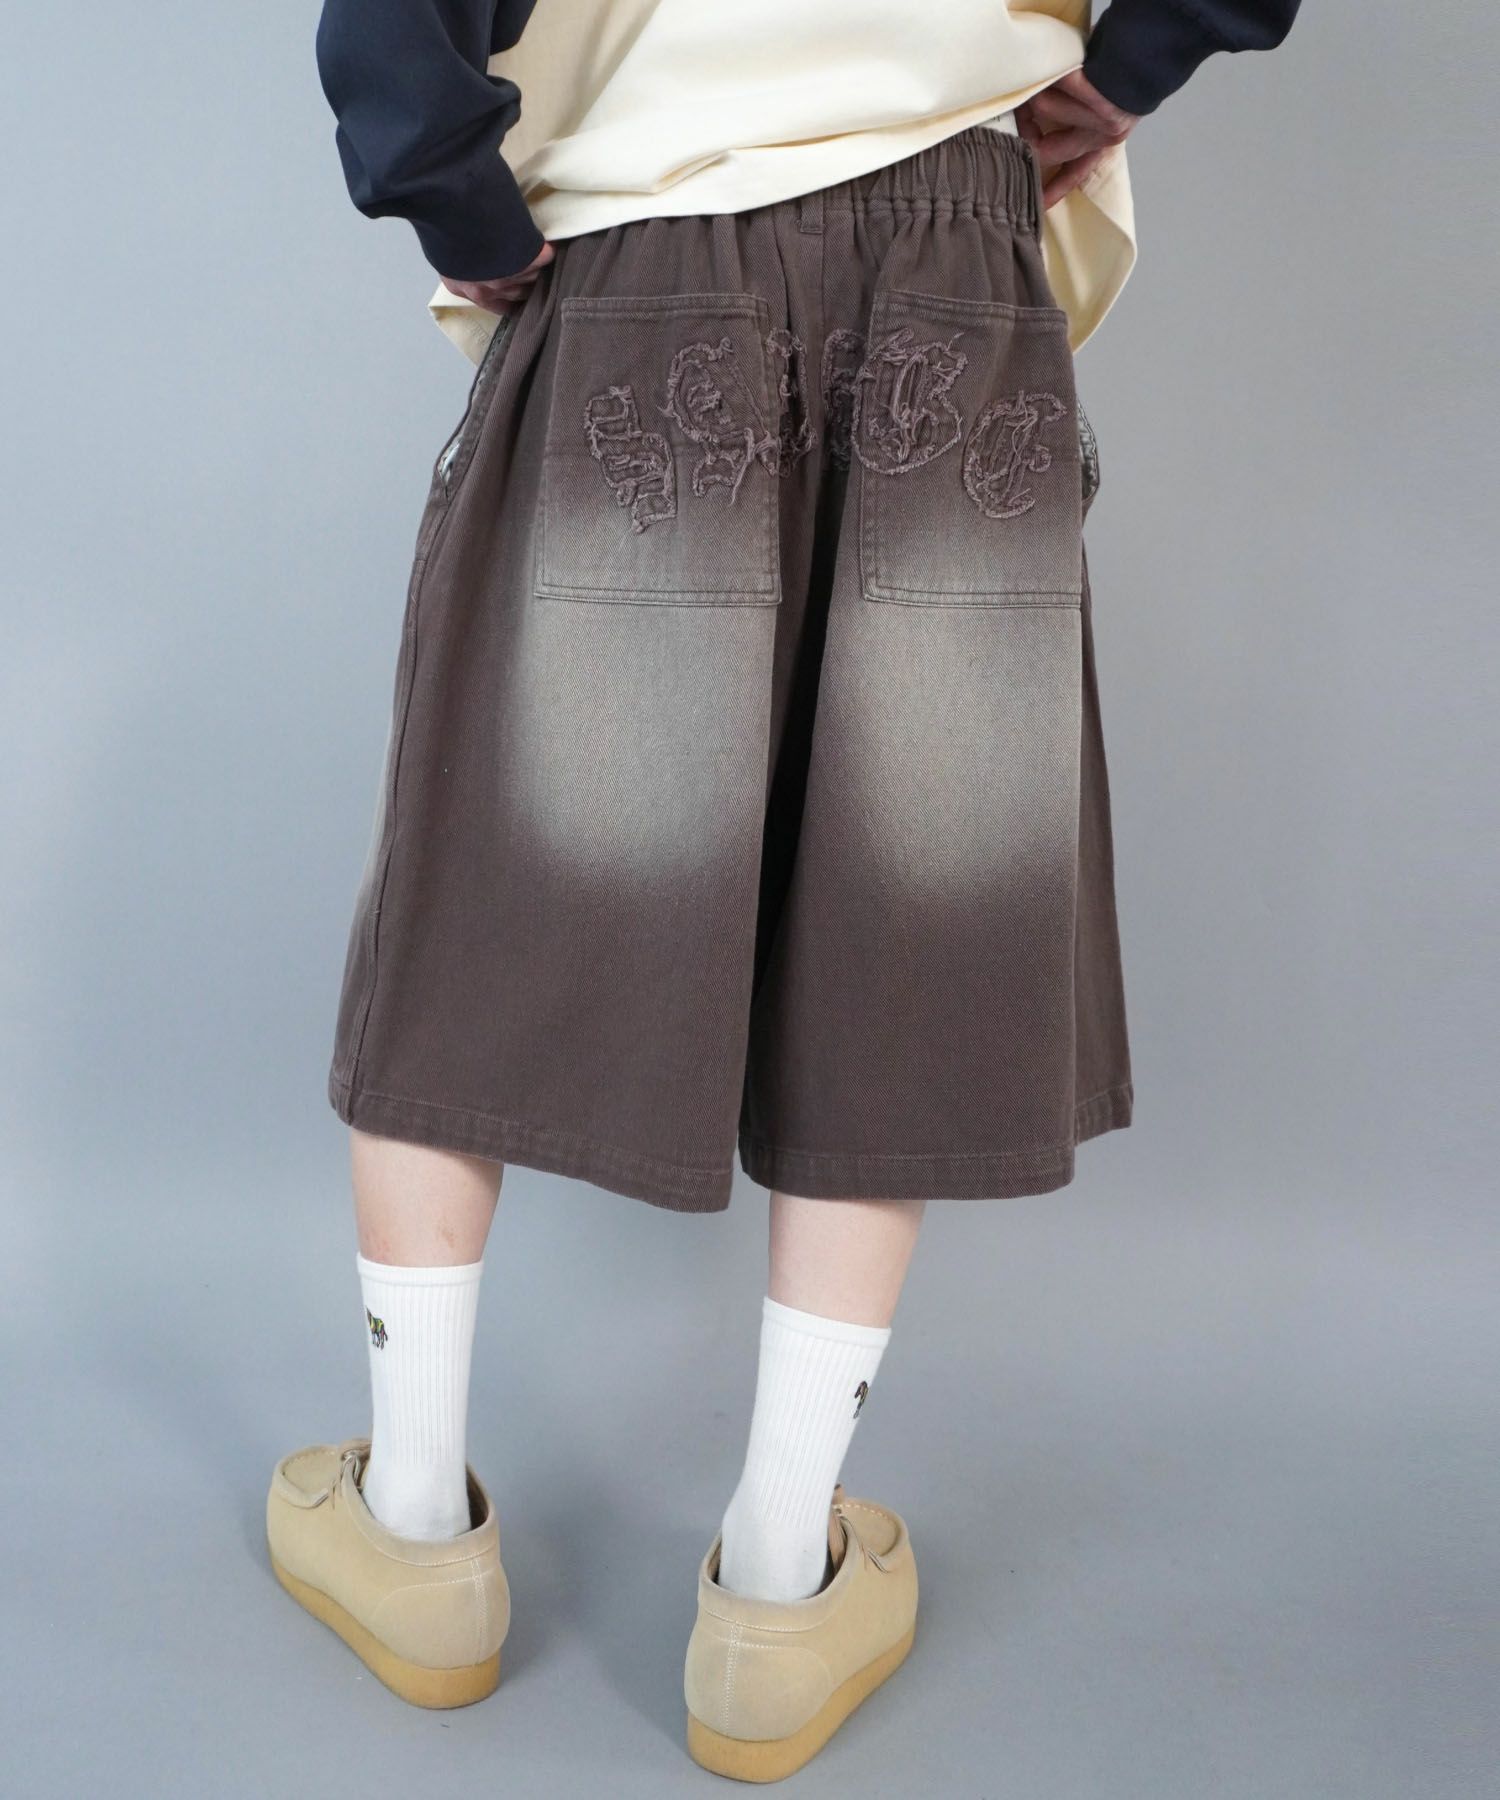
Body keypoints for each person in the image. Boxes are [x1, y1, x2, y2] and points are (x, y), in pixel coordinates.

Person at [266, 0, 1301, 1779]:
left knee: (493, 887)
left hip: (648, 249)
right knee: (903, 910)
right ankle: (777, 1581)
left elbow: (394, 25)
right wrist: (1129, 66)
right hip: (961, 254)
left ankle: (415, 1533)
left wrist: (459, 202)